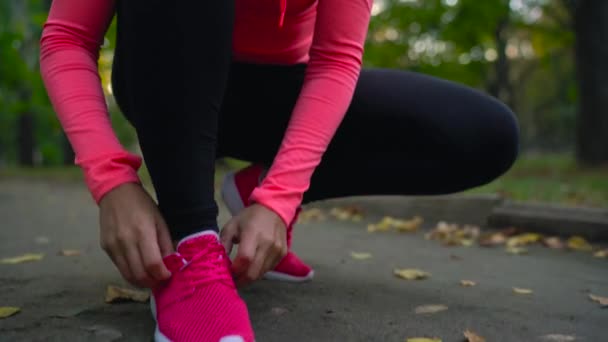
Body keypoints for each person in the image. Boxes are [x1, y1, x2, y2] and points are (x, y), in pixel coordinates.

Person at [40, 0, 519, 340]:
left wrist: (279, 196)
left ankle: (252, 190)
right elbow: (67, 37)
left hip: (273, 96)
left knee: (484, 135)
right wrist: (113, 182)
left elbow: (334, 60)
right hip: (167, 73)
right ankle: (191, 248)